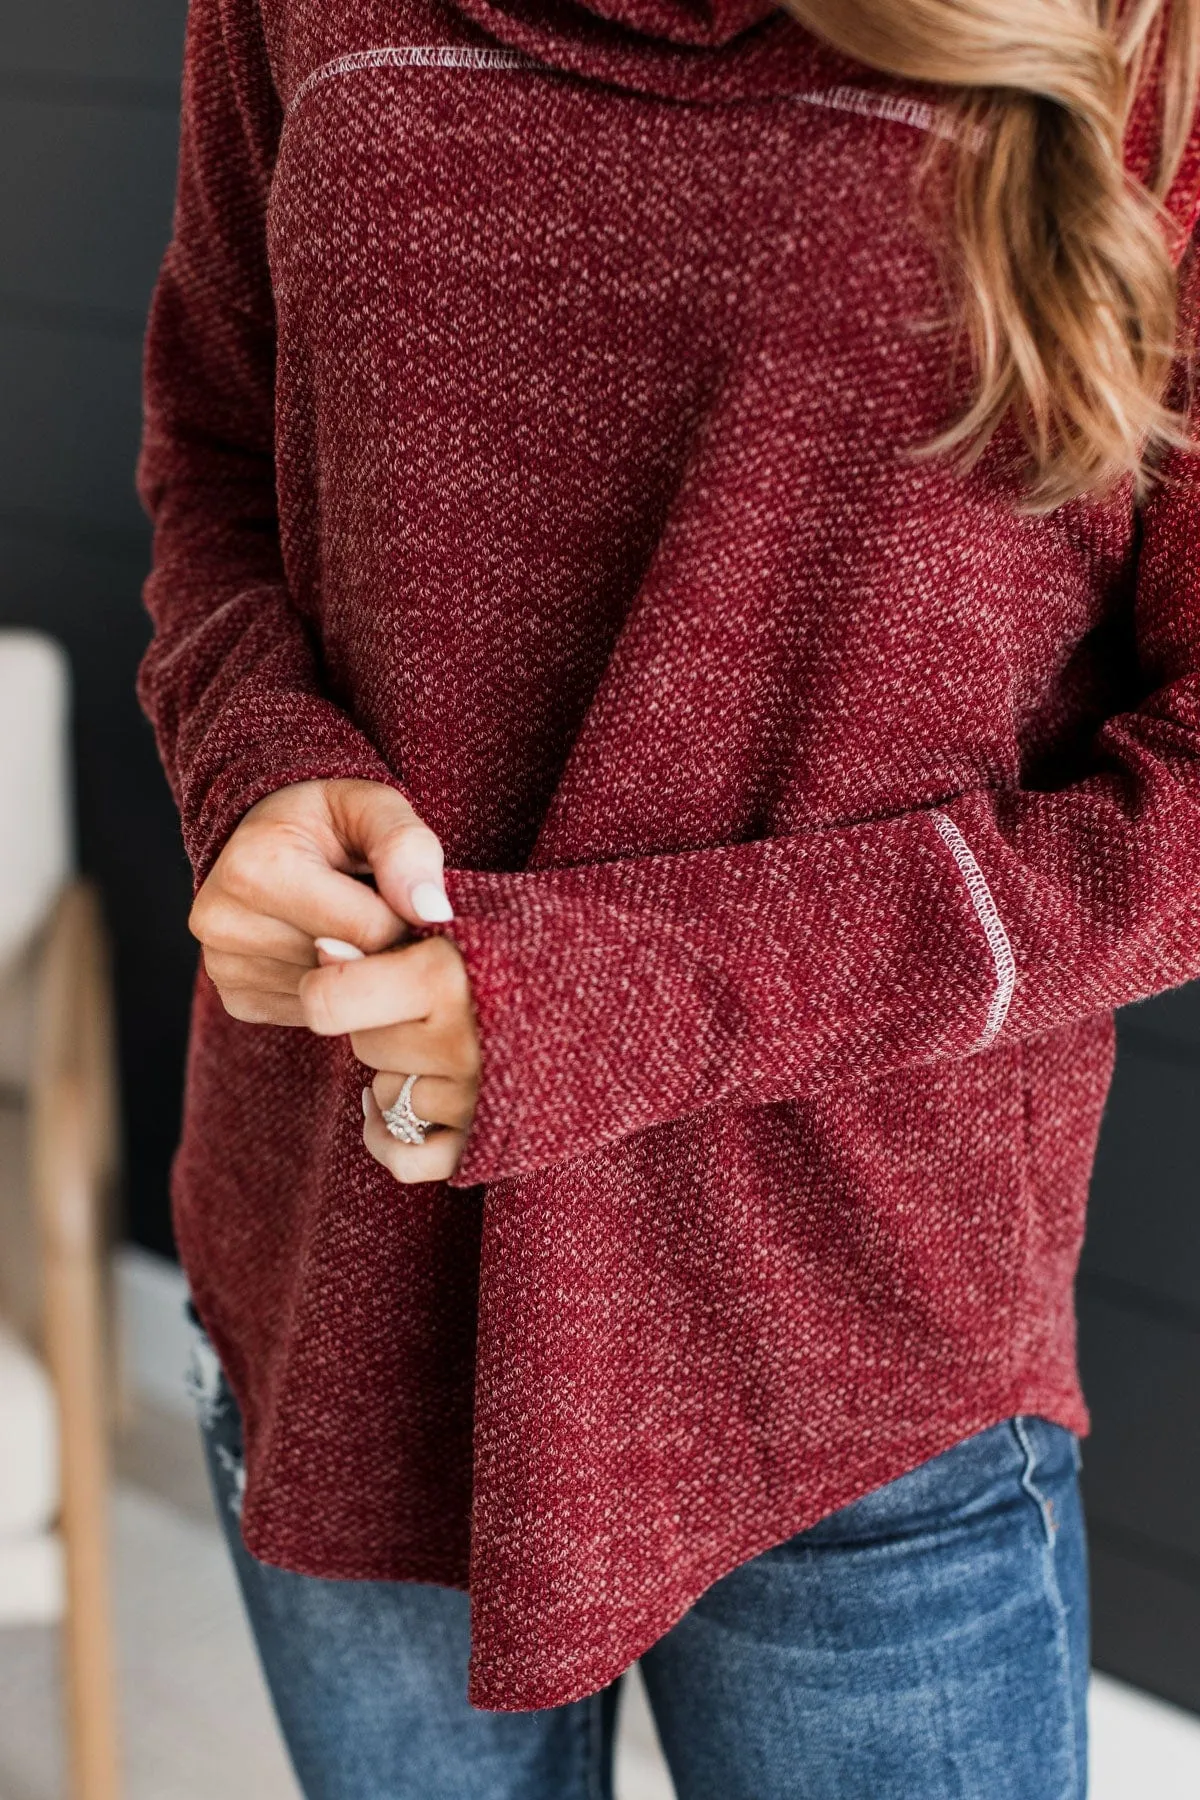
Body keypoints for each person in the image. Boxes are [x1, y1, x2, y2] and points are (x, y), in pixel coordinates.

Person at [136, 0, 1200, 1793]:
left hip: (851, 1353)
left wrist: (614, 1001)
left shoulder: (1131, 29)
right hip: (356, 1268)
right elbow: (219, 453)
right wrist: (249, 754)